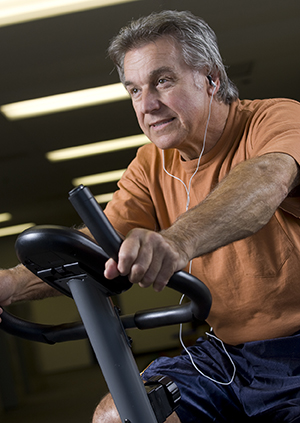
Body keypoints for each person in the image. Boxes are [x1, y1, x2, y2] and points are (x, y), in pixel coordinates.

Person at [1, 9, 300, 422]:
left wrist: (177, 241)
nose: (148, 105)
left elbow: (266, 181)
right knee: (119, 414)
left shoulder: (275, 119)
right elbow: (97, 246)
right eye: (134, 90)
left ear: (210, 79)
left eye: (162, 81)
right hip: (227, 355)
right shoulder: (150, 164)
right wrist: (10, 283)